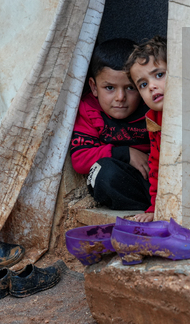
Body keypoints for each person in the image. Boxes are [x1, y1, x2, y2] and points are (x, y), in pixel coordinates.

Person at [70, 38, 151, 210]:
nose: (120, 97)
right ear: (93, 87)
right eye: (109, 88)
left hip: (154, 177)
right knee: (103, 174)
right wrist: (125, 153)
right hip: (123, 180)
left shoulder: (151, 107)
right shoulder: (88, 109)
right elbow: (80, 159)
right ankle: (147, 210)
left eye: (130, 88)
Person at [125, 36, 167, 222]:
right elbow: (156, 166)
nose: (152, 86)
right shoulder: (153, 120)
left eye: (159, 75)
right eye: (143, 84)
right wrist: (154, 208)